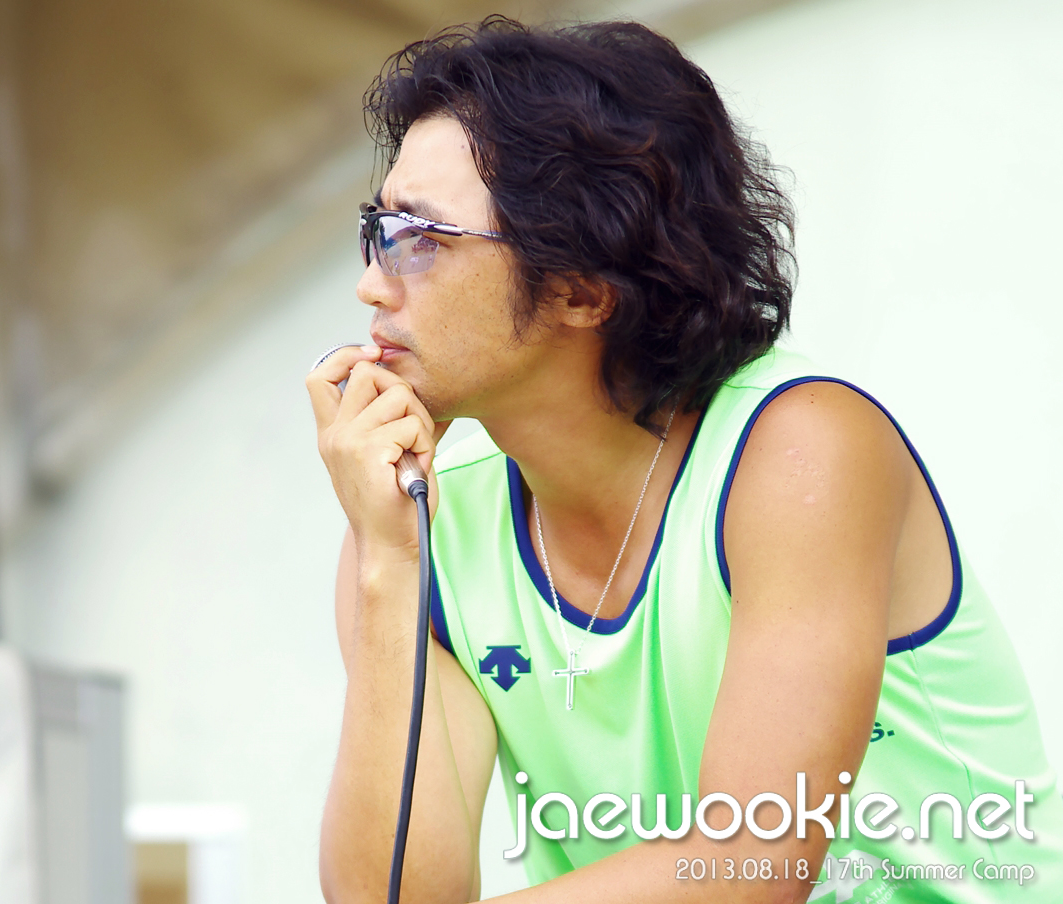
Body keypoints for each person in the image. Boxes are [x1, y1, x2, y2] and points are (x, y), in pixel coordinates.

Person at [305, 16, 1063, 904]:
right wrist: (389, 565)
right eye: (379, 227)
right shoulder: (416, 523)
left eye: (422, 237)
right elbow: (396, 894)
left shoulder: (800, 448)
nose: (371, 281)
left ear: (582, 289)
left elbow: (749, 869)